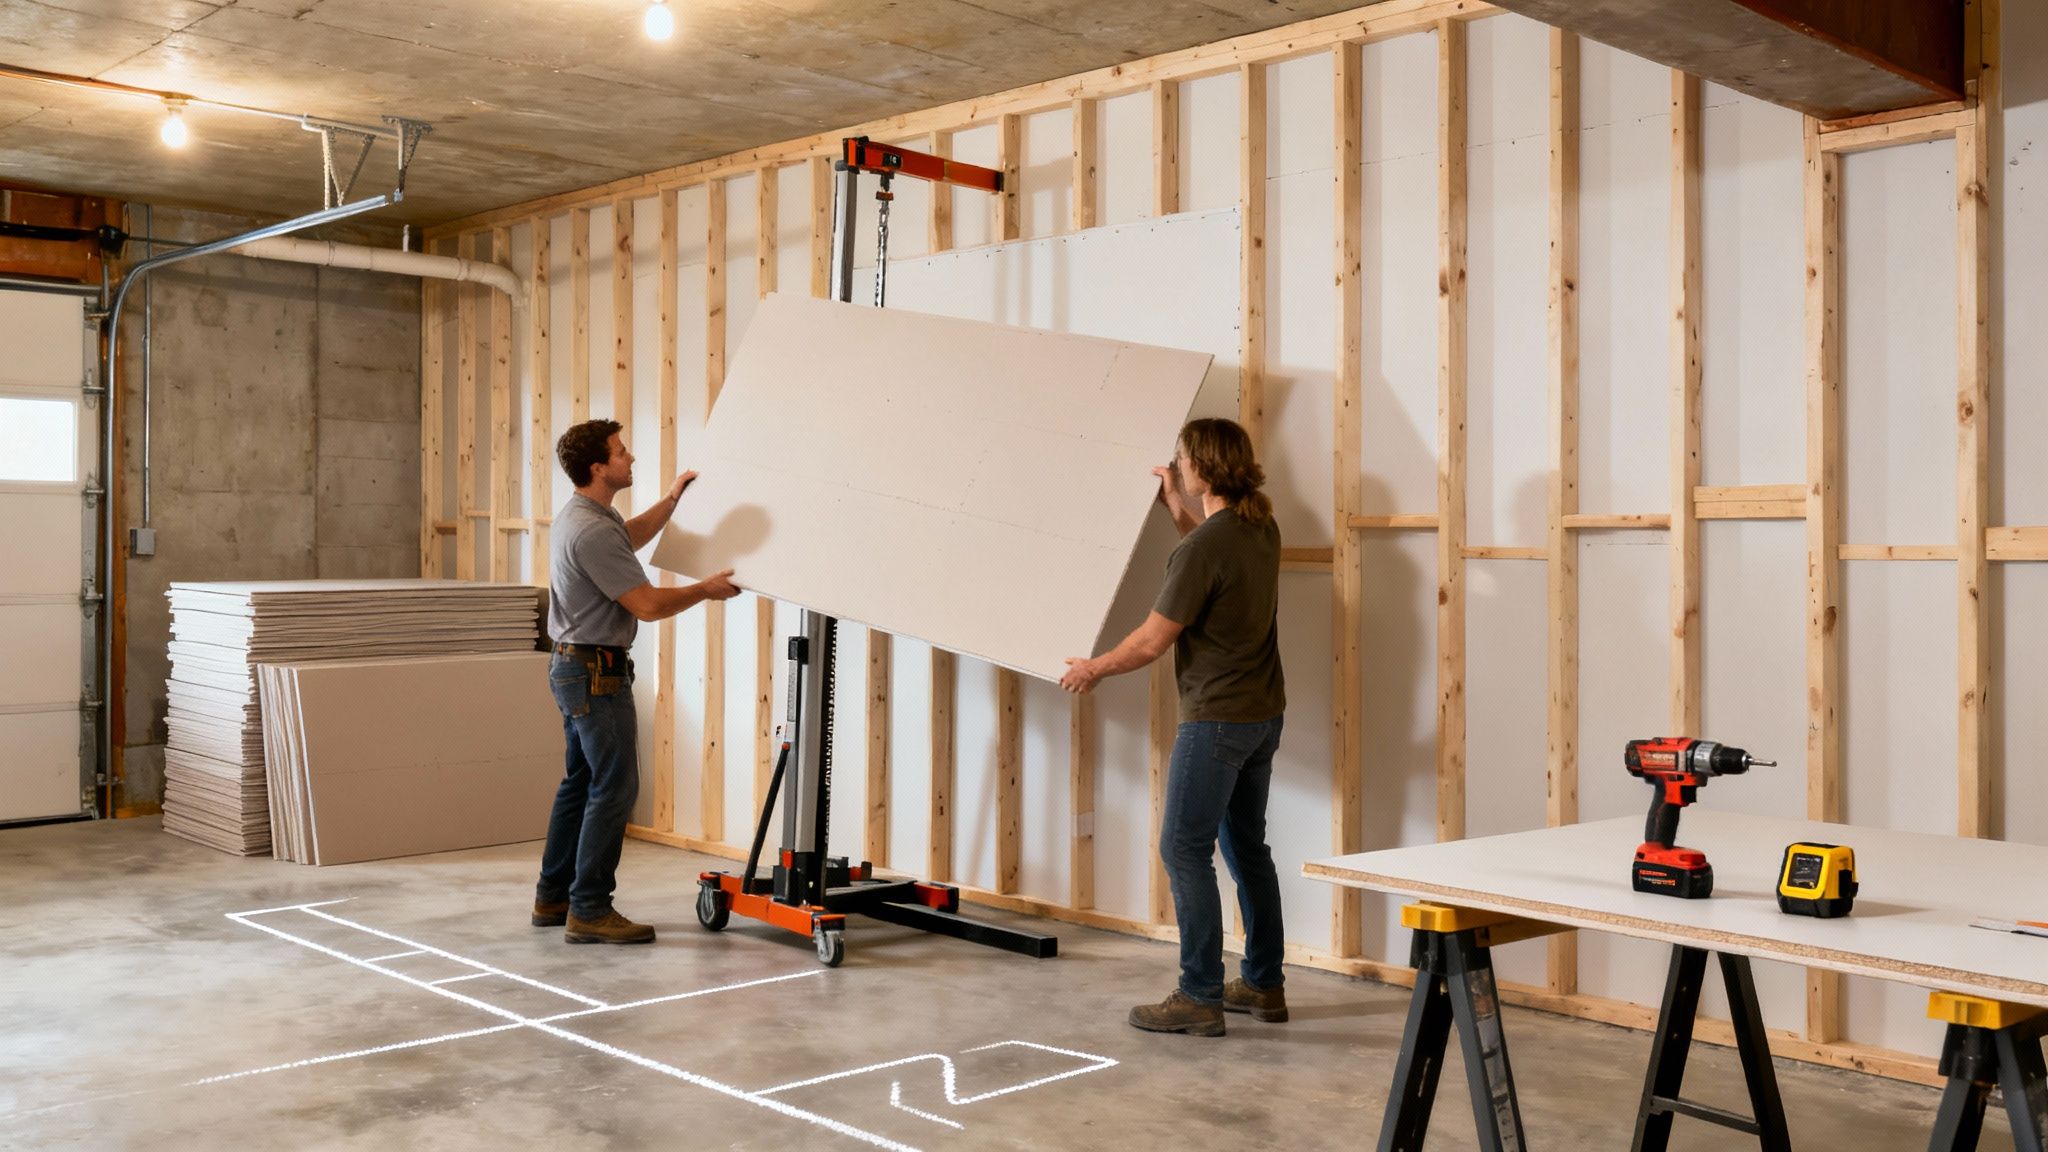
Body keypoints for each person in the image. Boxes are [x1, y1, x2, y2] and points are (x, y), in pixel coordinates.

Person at [1060, 417, 1287, 1037]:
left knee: (1183, 849)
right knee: (1247, 850)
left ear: (1202, 469)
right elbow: (1211, 567)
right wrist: (1176, 512)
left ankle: (1199, 995)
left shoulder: (1203, 548)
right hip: (1262, 717)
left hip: (1216, 721)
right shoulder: (1258, 527)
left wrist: (1095, 669)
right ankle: (1265, 986)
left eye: (1183, 459)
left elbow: (1152, 640)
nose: (1178, 465)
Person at [534, 418, 740, 944]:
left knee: (580, 784)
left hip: (575, 666)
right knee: (615, 788)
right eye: (621, 453)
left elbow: (628, 539)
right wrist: (705, 589)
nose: (631, 459)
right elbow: (646, 605)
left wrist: (672, 501)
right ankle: (589, 909)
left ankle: (554, 896)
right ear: (599, 468)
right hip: (596, 674)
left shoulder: (586, 516)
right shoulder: (593, 529)